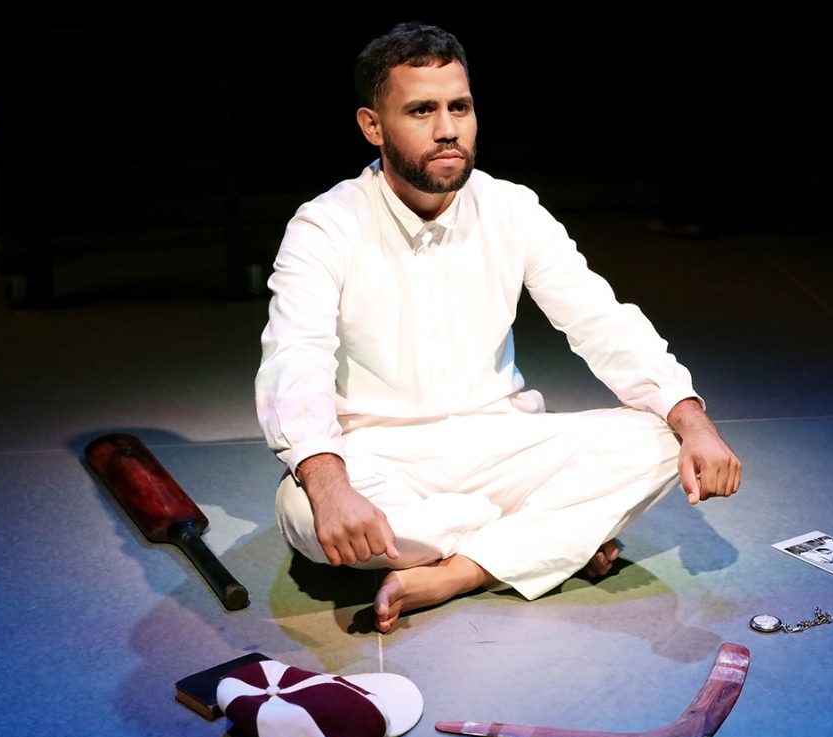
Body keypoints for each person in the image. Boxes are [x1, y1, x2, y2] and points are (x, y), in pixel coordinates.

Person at [255, 22, 741, 633]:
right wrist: (330, 488)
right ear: (372, 125)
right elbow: (294, 360)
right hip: (379, 459)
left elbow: (600, 320)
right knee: (304, 512)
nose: (447, 129)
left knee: (660, 442)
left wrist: (691, 419)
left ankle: (461, 571)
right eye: (422, 110)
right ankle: (543, 539)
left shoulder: (513, 207)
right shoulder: (325, 224)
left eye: (460, 106)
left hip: (500, 444)